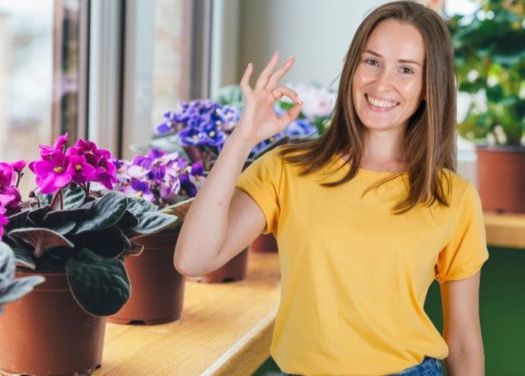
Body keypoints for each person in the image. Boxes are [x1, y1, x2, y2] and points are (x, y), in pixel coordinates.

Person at [174, 1, 488, 375]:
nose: (382, 83)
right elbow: (192, 259)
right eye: (372, 61)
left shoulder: (452, 196)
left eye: (406, 69)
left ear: (426, 87)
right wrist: (242, 139)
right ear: (353, 67)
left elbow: (465, 340)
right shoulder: (287, 169)